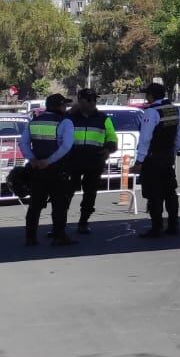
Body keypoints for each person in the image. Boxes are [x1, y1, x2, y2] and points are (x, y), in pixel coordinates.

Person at [23, 94, 77, 247]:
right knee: (59, 203)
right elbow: (66, 146)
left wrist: (32, 159)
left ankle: (30, 237)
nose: (65, 108)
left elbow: (23, 143)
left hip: (37, 168)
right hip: (56, 168)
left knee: (35, 204)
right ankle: (59, 235)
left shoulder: (34, 122)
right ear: (59, 106)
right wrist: (49, 161)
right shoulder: (65, 122)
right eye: (64, 105)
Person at [135, 82, 180, 239]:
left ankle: (156, 228)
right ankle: (173, 225)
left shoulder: (151, 112)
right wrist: (172, 153)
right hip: (167, 157)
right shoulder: (175, 109)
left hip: (153, 159)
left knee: (154, 193)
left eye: (147, 94)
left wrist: (139, 160)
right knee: (170, 192)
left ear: (151, 96)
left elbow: (145, 139)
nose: (146, 97)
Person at [67, 88, 118, 235]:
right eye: (88, 99)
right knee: (65, 194)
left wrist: (108, 149)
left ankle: (83, 222)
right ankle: (59, 225)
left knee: (90, 194)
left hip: (94, 162)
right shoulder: (71, 118)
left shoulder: (103, 118)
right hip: (72, 162)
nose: (92, 102)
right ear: (80, 100)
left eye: (94, 100)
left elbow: (112, 138)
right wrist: (71, 111)